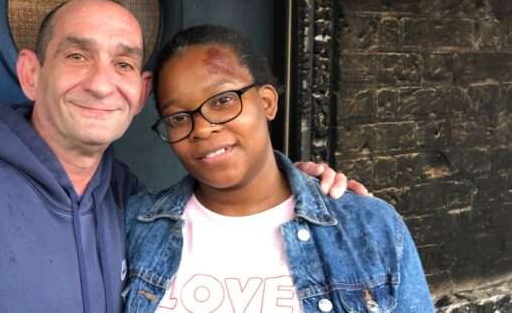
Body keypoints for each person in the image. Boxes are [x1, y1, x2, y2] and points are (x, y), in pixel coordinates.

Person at [0, 0, 363, 312]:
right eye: (76, 55)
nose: (99, 83)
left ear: (139, 92)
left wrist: (300, 184)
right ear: (31, 73)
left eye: (121, 64)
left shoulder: (135, 204)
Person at [123, 25, 433, 312]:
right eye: (178, 117)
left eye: (223, 100)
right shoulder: (133, 228)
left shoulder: (369, 227)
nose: (202, 129)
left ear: (267, 102)